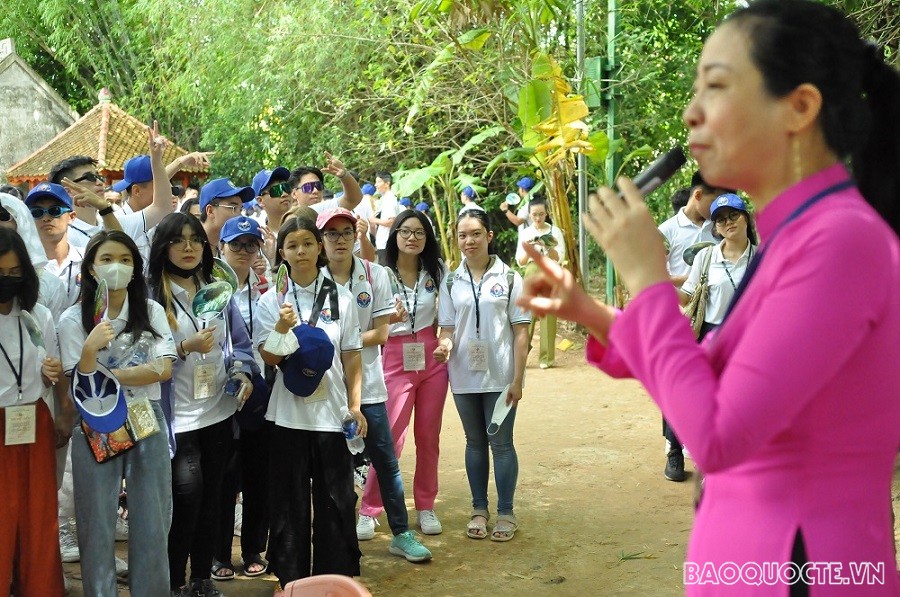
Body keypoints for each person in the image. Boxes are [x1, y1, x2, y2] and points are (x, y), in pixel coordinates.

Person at [516, 1, 900, 593]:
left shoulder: (840, 240)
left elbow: (715, 432)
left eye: (715, 88)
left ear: (798, 107)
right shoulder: (797, 233)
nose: (692, 115)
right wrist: (587, 311)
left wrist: (648, 279)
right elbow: (707, 373)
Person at [58, 230, 176, 597]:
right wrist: (90, 351)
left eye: (126, 261)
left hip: (144, 414)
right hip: (96, 420)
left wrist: (99, 369)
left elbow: (164, 369)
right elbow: (77, 381)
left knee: (152, 518)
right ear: (91, 269)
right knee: (96, 521)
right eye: (107, 260)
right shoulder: (71, 319)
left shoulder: (151, 310)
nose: (117, 268)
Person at [148, 212, 256, 597]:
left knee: (213, 499)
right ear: (164, 247)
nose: (189, 247)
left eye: (195, 239)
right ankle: (175, 581)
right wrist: (182, 348)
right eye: (179, 240)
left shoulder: (217, 289)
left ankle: (202, 579)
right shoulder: (150, 298)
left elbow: (242, 346)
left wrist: (242, 374)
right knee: (185, 501)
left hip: (219, 413)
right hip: (178, 422)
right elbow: (141, 359)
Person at [317, 208, 433, 562]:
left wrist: (338, 340)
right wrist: (347, 340)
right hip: (326, 390)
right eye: (331, 234)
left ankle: (401, 533)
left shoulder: (375, 274)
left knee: (386, 459)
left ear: (356, 237)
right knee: (330, 469)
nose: (339, 240)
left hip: (368, 388)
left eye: (346, 233)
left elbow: (382, 333)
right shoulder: (313, 279)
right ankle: (335, 540)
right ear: (321, 241)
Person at [254, 215, 364, 587]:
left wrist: (356, 405)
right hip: (287, 416)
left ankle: (335, 578)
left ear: (319, 247)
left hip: (332, 415)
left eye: (307, 243)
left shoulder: (343, 297)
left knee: (335, 499)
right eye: (292, 245)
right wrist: (282, 328)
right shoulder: (270, 301)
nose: (300, 252)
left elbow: (351, 356)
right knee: (289, 501)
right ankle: (291, 580)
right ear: (281, 253)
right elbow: (268, 359)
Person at [436, 209, 529, 542]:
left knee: (501, 444)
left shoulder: (510, 278)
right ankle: (479, 509)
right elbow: (447, 327)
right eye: (462, 235)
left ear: (489, 235)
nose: (468, 241)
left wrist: (518, 379)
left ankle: (506, 512)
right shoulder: (451, 280)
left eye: (475, 233)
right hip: (462, 375)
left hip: (501, 375)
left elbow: (521, 332)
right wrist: (444, 346)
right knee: (474, 443)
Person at [359, 208, 449, 541]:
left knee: (428, 437)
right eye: (405, 231)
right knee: (389, 439)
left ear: (427, 239)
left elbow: (448, 317)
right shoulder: (381, 274)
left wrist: (445, 341)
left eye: (419, 233)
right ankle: (370, 510)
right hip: (395, 356)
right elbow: (369, 320)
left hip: (431, 358)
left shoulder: (437, 271)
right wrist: (390, 320)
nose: (412, 238)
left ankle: (426, 505)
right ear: (394, 235)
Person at [0, 227, 65, 596]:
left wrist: (48, 373)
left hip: (32, 422)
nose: (7, 282)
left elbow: (46, 365)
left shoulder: (36, 315)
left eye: (14, 274)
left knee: (38, 517)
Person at [656, 171, 731, 482]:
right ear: (698, 195)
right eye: (714, 201)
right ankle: (674, 449)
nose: (719, 211)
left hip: (714, 319)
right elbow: (656, 275)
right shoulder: (666, 231)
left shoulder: (719, 229)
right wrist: (697, 276)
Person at [211, 216, 271, 580]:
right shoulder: (207, 289)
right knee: (222, 475)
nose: (244, 252)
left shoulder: (268, 288)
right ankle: (218, 554)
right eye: (237, 244)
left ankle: (253, 548)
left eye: (251, 244)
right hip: (217, 395)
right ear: (221, 247)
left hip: (259, 393)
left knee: (257, 474)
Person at [515, 197, 565, 369]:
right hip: (531, 270)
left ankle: (546, 358)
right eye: (534, 215)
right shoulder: (525, 233)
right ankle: (522, 354)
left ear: (547, 213)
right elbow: (520, 261)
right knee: (526, 314)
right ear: (529, 214)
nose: (538, 218)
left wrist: (547, 245)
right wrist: (531, 248)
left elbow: (559, 257)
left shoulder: (555, 232)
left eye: (541, 214)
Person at [369, 171, 398, 264]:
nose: (376, 185)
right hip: (382, 243)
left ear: (387, 183)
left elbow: (391, 222)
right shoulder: (384, 199)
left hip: (387, 243)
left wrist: (374, 220)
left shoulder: (390, 199)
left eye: (378, 182)